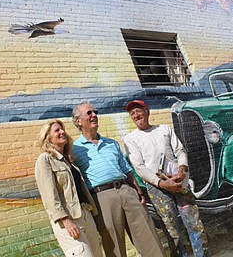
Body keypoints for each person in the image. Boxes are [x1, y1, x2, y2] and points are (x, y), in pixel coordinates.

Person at [71, 101, 165, 257]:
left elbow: (127, 170)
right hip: (102, 198)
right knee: (113, 246)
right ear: (78, 121)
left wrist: (138, 191)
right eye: (89, 113)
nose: (94, 115)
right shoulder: (75, 149)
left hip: (127, 191)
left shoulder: (111, 143)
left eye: (95, 112)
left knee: (149, 237)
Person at [123, 100, 209, 257]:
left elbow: (180, 151)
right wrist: (162, 183)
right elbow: (140, 168)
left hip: (178, 181)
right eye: (132, 113)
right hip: (157, 189)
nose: (136, 115)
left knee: (194, 224)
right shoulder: (130, 139)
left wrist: (182, 171)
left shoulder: (164, 129)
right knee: (172, 230)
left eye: (138, 110)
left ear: (147, 111)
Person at [35, 120, 103, 257]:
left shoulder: (69, 160)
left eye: (62, 129)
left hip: (85, 213)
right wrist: (65, 220)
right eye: (57, 130)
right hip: (68, 219)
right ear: (48, 137)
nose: (62, 132)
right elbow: (49, 195)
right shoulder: (45, 160)